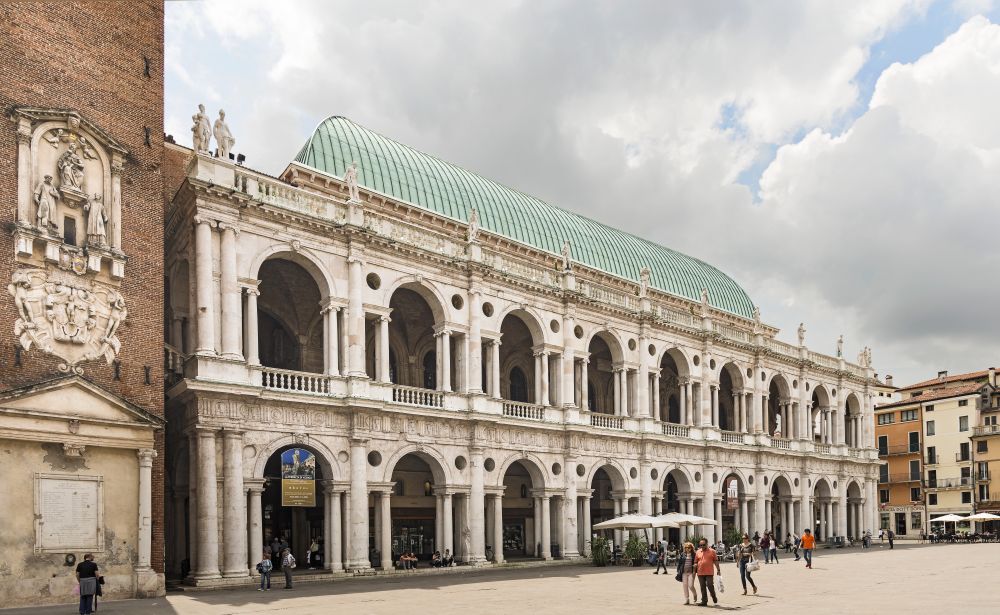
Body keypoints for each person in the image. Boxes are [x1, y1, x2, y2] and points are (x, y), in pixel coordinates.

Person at [695, 538, 721, 607]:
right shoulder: (698, 552)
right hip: (700, 572)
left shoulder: (712, 551)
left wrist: (718, 570)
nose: (702, 546)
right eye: (700, 545)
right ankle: (704, 601)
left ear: (707, 544)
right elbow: (695, 561)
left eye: (703, 545)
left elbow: (716, 561)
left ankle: (714, 597)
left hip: (709, 572)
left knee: (710, 585)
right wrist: (694, 568)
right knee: (702, 587)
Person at [676, 541, 699, 605]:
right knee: (685, 585)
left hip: (691, 572)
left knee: (691, 585)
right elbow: (680, 563)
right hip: (684, 572)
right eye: (686, 547)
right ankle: (687, 599)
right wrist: (678, 570)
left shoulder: (694, 554)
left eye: (689, 547)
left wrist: (695, 569)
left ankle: (695, 594)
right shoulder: (683, 554)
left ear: (691, 548)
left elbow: (696, 562)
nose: (687, 549)